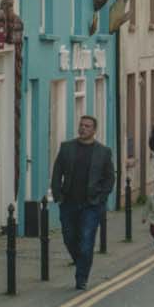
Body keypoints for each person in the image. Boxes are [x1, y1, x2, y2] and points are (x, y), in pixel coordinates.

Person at [50, 115, 115, 291]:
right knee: (69, 238)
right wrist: (57, 195)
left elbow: (110, 178)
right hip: (69, 202)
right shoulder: (67, 148)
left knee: (86, 241)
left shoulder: (103, 152)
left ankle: (81, 278)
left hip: (91, 205)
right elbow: (57, 173)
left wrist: (102, 198)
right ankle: (82, 263)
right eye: (81, 125)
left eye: (87, 126)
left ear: (94, 130)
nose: (83, 128)